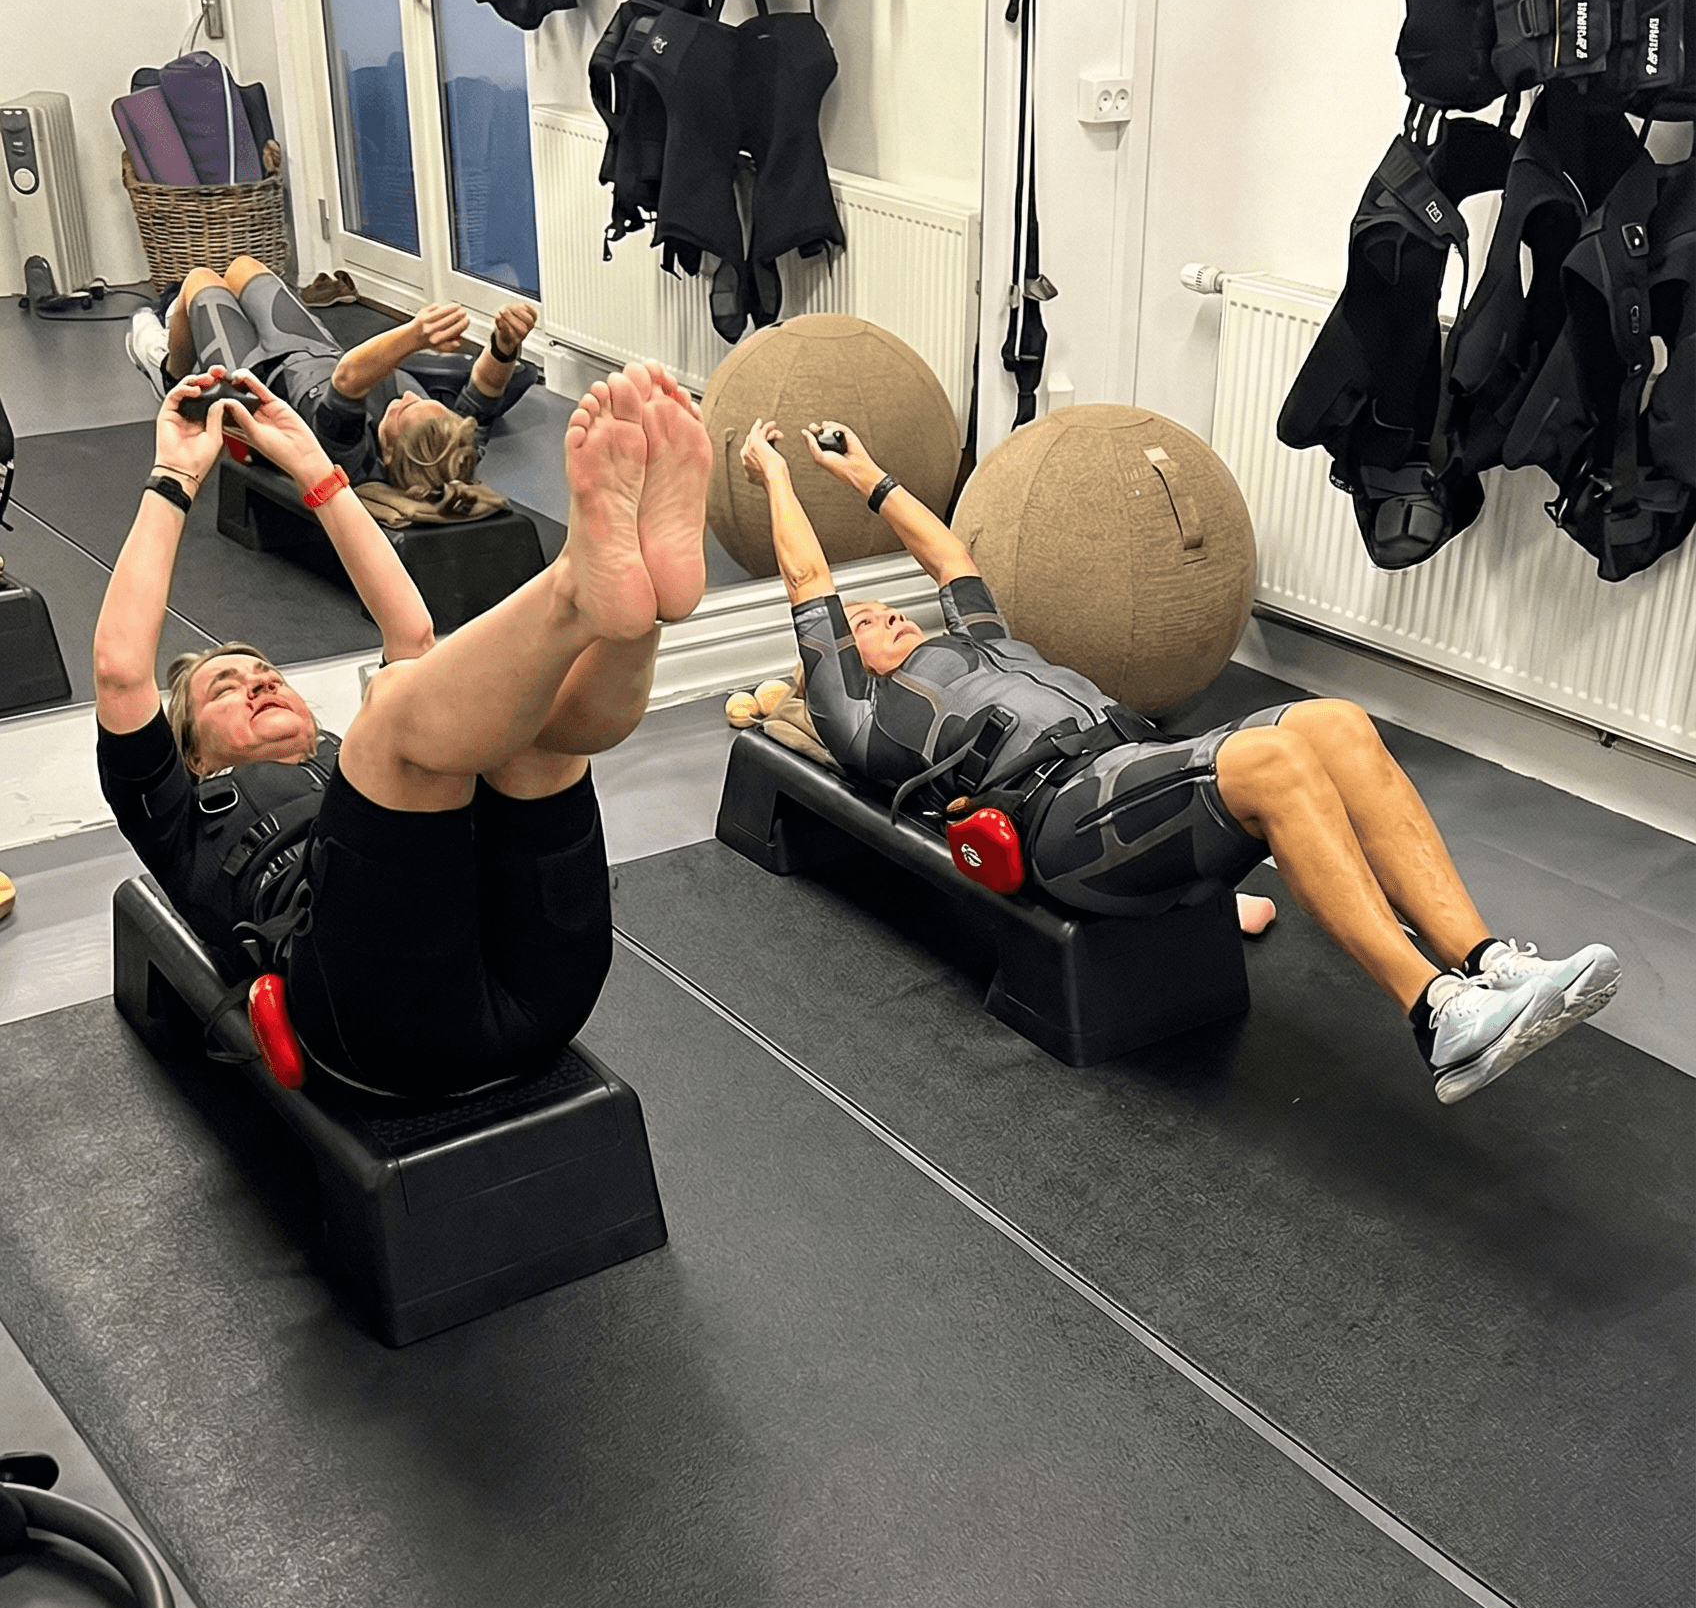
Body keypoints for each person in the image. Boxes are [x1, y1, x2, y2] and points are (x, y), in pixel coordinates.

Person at [739, 418, 1622, 1105]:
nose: (887, 615)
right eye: (863, 623)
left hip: (1136, 768)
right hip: (1064, 825)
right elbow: (809, 582)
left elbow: (950, 556)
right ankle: (1436, 1013)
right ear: (841, 662)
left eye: (885, 608)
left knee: (1339, 724)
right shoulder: (859, 714)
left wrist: (866, 475)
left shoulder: (976, 641)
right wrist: (777, 476)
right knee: (1272, 761)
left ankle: (1488, 963)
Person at [93, 356, 712, 1100]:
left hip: (548, 974)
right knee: (398, 705)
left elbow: (411, 631)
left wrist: (314, 466)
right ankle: (581, 587)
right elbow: (121, 672)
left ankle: (634, 617)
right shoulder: (176, 816)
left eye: (268, 675)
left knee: (522, 731)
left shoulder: (362, 756)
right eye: (225, 688)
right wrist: (172, 477)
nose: (258, 682)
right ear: (192, 754)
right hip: (382, 1029)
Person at [129, 257, 539, 506]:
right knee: (242, 268)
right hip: (312, 352)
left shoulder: (352, 455)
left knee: (199, 281)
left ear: (388, 452)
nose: (407, 397)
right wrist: (505, 345)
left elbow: (348, 377)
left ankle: (170, 375)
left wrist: (415, 335)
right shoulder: (453, 448)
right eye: (420, 399)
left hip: (256, 377)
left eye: (404, 410)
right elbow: (486, 389)